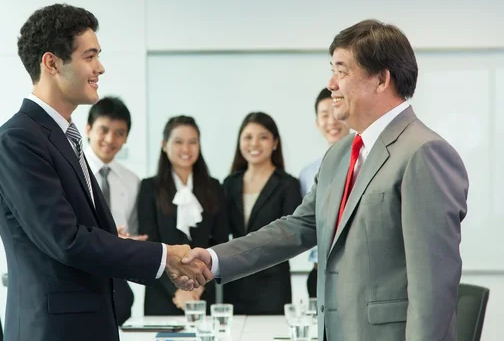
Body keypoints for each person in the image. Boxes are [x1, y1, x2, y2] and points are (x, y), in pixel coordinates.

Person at [181, 19, 469, 341]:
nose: (331, 83)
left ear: (381, 79)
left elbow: (432, 288)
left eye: (342, 71)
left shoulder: (424, 153)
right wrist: (216, 258)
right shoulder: (340, 154)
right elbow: (298, 227)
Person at [0, 3, 210, 341]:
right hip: (54, 332)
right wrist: (165, 256)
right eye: (90, 56)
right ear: (52, 63)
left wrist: (115, 239)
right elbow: (67, 241)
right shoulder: (19, 141)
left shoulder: (61, 137)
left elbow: (73, 232)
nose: (100, 68)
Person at [138, 116, 229, 315]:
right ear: (164, 145)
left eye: (192, 142)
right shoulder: (149, 188)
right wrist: (177, 290)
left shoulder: (214, 187)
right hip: (161, 296)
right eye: (178, 142)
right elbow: (149, 246)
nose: (186, 149)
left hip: (203, 295)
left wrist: (199, 286)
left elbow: (220, 242)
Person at [222, 112, 302, 315]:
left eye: (263, 137)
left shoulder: (288, 185)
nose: (254, 143)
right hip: (234, 283)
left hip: (272, 285)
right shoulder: (230, 183)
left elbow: (290, 237)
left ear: (275, 143)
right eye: (248, 137)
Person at [85, 96, 148, 325]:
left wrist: (128, 241)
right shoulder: (69, 170)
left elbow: (133, 230)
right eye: (104, 130)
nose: (110, 139)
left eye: (119, 133)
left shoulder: (132, 181)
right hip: (80, 277)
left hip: (117, 284)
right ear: (89, 129)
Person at [299, 88, 350, 298]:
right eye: (324, 115)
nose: (332, 121)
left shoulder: (367, 163)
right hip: (319, 272)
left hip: (354, 275)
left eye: (336, 112)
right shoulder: (308, 173)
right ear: (317, 122)